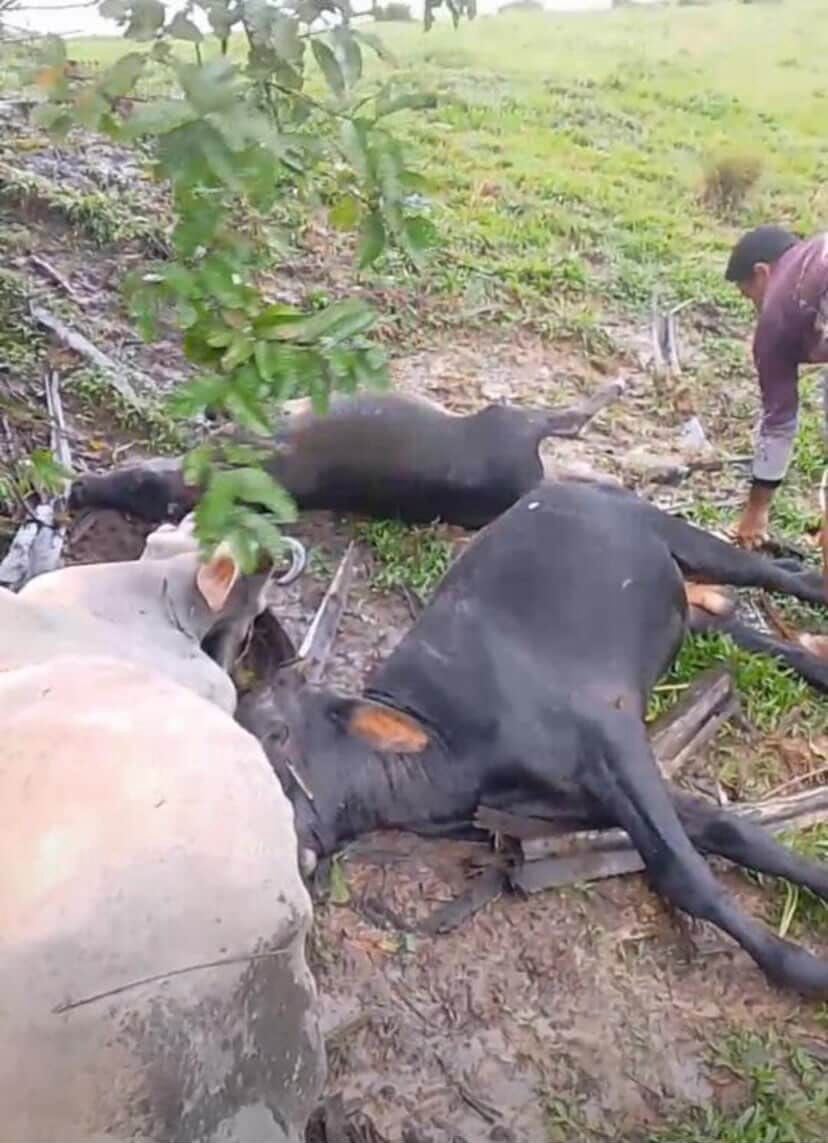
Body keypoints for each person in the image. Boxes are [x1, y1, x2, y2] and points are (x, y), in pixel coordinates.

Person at [724, 225, 828, 548]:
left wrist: (756, 511)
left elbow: (779, 424)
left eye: (749, 295)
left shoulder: (776, 307)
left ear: (761, 273)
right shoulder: (817, 253)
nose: (756, 307)